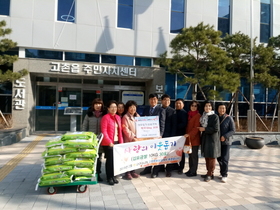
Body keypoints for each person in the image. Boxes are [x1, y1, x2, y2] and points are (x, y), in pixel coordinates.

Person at [140, 93, 166, 178]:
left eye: (154, 99)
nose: (153, 101)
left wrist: (161, 135)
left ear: (157, 100)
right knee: (148, 153)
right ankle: (147, 168)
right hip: (147, 136)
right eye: (151, 99)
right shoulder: (146, 109)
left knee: (156, 154)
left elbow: (162, 123)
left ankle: (155, 171)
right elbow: (142, 122)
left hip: (156, 136)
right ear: (149, 100)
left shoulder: (161, 110)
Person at [82, 98, 105, 182]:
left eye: (99, 104)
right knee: (90, 157)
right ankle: (89, 173)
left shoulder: (104, 115)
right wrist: (84, 137)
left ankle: (98, 174)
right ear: (93, 105)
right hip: (91, 140)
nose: (98, 106)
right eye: (96, 104)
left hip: (100, 140)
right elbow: (84, 126)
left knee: (99, 158)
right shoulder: (89, 115)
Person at [101, 100, 124, 185]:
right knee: (110, 160)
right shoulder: (105, 117)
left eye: (115, 107)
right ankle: (109, 177)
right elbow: (104, 131)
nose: (114, 109)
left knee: (115, 160)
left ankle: (114, 176)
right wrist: (109, 142)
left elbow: (120, 132)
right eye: (112, 107)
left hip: (117, 141)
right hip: (108, 143)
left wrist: (121, 142)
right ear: (108, 108)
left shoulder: (118, 117)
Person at [198, 100, 220, 182]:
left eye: (210, 106)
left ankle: (210, 173)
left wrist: (204, 129)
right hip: (205, 137)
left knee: (211, 156)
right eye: (206, 106)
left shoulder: (214, 116)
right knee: (207, 155)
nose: (208, 107)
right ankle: (209, 172)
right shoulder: (203, 116)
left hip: (212, 139)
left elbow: (216, 129)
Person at [217, 103, 235, 183]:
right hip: (217, 141)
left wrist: (225, 136)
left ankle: (224, 175)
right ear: (217, 109)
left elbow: (233, 130)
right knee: (219, 158)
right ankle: (222, 171)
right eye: (220, 108)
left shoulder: (229, 118)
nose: (222, 110)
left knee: (225, 158)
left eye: (223, 108)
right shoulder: (216, 117)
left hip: (226, 142)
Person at [121, 100, 140, 180]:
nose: (132, 109)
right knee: (128, 156)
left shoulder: (138, 116)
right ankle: (127, 172)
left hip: (137, 140)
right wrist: (133, 137)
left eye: (134, 107)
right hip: (129, 140)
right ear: (127, 108)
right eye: (131, 107)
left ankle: (133, 171)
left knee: (134, 156)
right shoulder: (125, 117)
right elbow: (125, 129)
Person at [184, 100, 201, 177]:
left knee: (194, 156)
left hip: (194, 138)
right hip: (188, 138)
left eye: (195, 106)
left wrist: (189, 134)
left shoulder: (198, 116)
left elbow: (196, 128)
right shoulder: (188, 114)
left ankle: (194, 171)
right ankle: (190, 169)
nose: (193, 107)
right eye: (192, 105)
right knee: (190, 155)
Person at [160, 94, 176, 177]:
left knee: (169, 153)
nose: (167, 102)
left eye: (168, 100)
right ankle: (161, 167)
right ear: (162, 101)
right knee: (160, 152)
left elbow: (174, 125)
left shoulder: (173, 111)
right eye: (165, 100)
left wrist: (172, 136)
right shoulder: (159, 109)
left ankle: (169, 169)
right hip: (159, 135)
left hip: (169, 134)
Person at [173, 98, 188, 175]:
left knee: (181, 152)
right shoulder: (174, 111)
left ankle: (181, 167)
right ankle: (175, 165)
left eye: (179, 103)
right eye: (176, 103)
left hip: (181, 135)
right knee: (174, 151)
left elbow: (184, 124)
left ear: (183, 105)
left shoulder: (184, 113)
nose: (178, 105)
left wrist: (174, 127)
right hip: (174, 135)